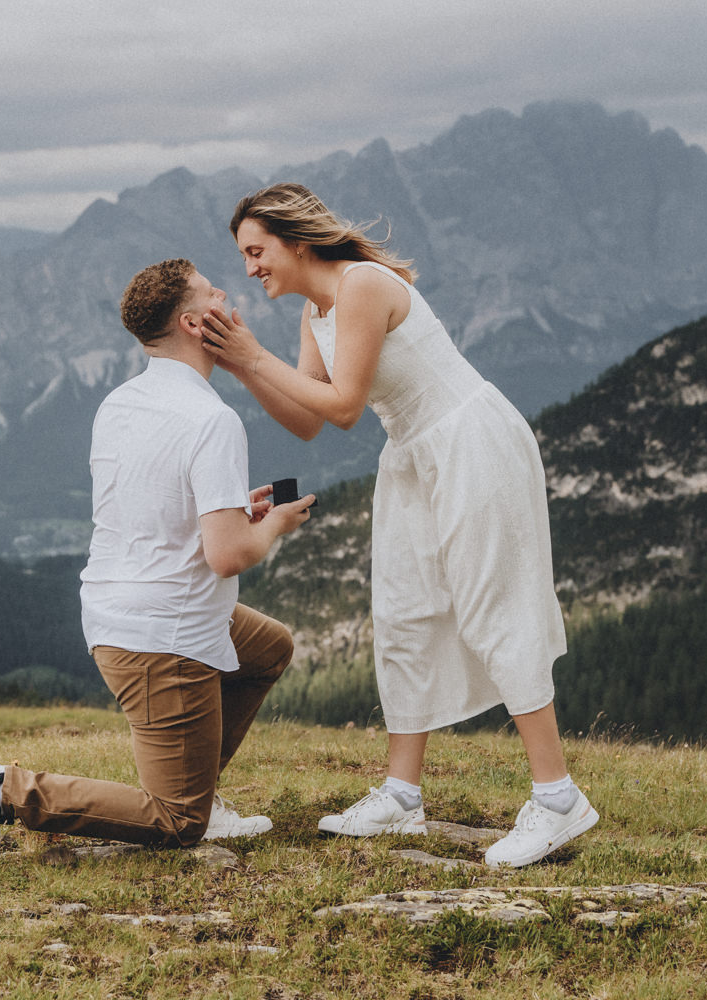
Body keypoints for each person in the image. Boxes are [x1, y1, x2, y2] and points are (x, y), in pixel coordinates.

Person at [200, 183, 596, 868]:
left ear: (296, 241)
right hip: (412, 454)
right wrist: (240, 361)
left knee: (492, 607)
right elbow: (306, 419)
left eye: (256, 251)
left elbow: (346, 404)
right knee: (406, 614)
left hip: (468, 442)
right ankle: (402, 796)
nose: (250, 268)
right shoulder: (315, 312)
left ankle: (558, 798)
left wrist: (250, 353)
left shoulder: (360, 285)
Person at [0, 258, 316, 860]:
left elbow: (157, 508)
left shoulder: (119, 403)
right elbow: (227, 557)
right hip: (164, 636)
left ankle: (200, 785)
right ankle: (6, 791)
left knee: (268, 646)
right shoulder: (212, 420)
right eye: (213, 291)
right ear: (197, 324)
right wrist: (274, 523)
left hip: (117, 611)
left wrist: (224, 507)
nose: (230, 291)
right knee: (176, 822)